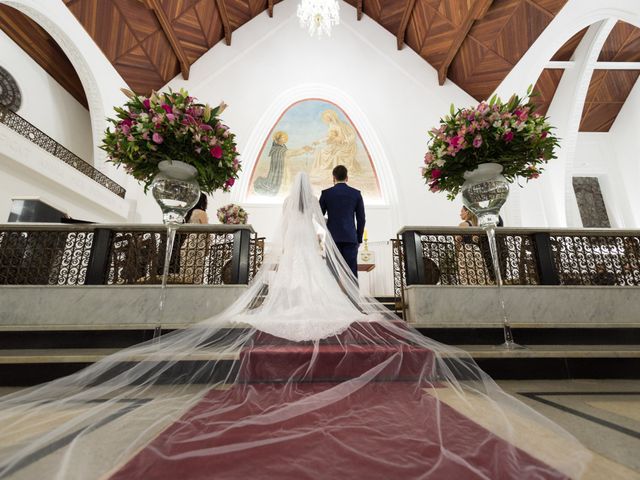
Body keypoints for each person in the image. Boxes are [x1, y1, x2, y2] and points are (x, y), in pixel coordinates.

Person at [0, 173, 590, 479]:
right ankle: (326, 313)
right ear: (319, 194)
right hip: (320, 249)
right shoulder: (325, 208)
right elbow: (322, 236)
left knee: (292, 294)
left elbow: (290, 244)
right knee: (330, 296)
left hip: (299, 252)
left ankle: (296, 313)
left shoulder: (294, 209)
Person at [319, 165, 365, 279]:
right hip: (350, 238)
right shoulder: (356, 194)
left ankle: (332, 297)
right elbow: (361, 219)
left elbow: (319, 216)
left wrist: (327, 226)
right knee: (351, 273)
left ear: (333, 178)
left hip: (332, 238)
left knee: (332, 273)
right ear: (347, 178)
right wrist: (358, 238)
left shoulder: (326, 193)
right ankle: (352, 297)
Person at [179, 193, 209, 283]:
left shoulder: (189, 213)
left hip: (188, 243)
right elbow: (207, 230)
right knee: (196, 274)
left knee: (186, 273)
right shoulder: (201, 213)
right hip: (198, 244)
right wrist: (208, 246)